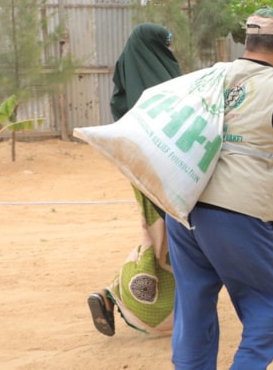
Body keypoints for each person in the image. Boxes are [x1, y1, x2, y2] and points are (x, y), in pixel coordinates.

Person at [165, 8, 273, 369]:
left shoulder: (211, 76)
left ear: (248, 41)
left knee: (193, 303)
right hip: (238, 212)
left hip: (184, 204)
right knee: (268, 304)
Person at [87, 23, 182, 336]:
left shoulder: (128, 72)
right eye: (165, 44)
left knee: (158, 237)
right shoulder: (166, 80)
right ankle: (114, 294)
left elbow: (120, 113)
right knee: (169, 242)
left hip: (140, 172)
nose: (169, 50)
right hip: (173, 173)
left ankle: (110, 294)